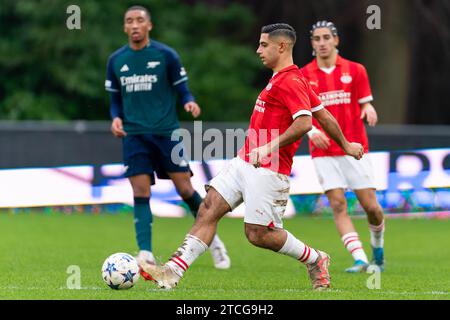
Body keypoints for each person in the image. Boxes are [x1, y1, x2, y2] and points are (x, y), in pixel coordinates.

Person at [141, 23, 365, 290]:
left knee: (258, 235)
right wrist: (347, 145)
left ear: (281, 46)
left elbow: (305, 123)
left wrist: (268, 147)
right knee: (208, 208)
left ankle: (315, 258)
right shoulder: (286, 77)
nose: (258, 50)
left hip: (269, 166)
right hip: (245, 160)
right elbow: (323, 115)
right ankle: (171, 272)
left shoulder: (291, 81)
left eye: (264, 44)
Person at [104, 5, 231, 275]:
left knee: (185, 189)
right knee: (140, 191)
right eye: (130, 21)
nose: (135, 25)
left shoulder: (166, 55)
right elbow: (115, 99)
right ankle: (145, 253)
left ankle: (214, 240)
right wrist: (115, 118)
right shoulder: (116, 60)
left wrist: (189, 102)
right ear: (124, 27)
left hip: (166, 133)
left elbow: (182, 89)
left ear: (149, 25)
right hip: (134, 135)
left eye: (140, 20)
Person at [300, 21, 385, 273]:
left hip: (354, 148)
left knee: (371, 207)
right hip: (323, 152)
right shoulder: (304, 75)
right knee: (337, 204)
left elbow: (364, 103)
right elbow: (300, 113)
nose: (322, 42)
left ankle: (377, 247)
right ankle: (359, 258)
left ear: (336, 40)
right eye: (317, 38)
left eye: (327, 37)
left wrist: (368, 107)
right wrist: (313, 131)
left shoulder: (355, 70)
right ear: (312, 43)